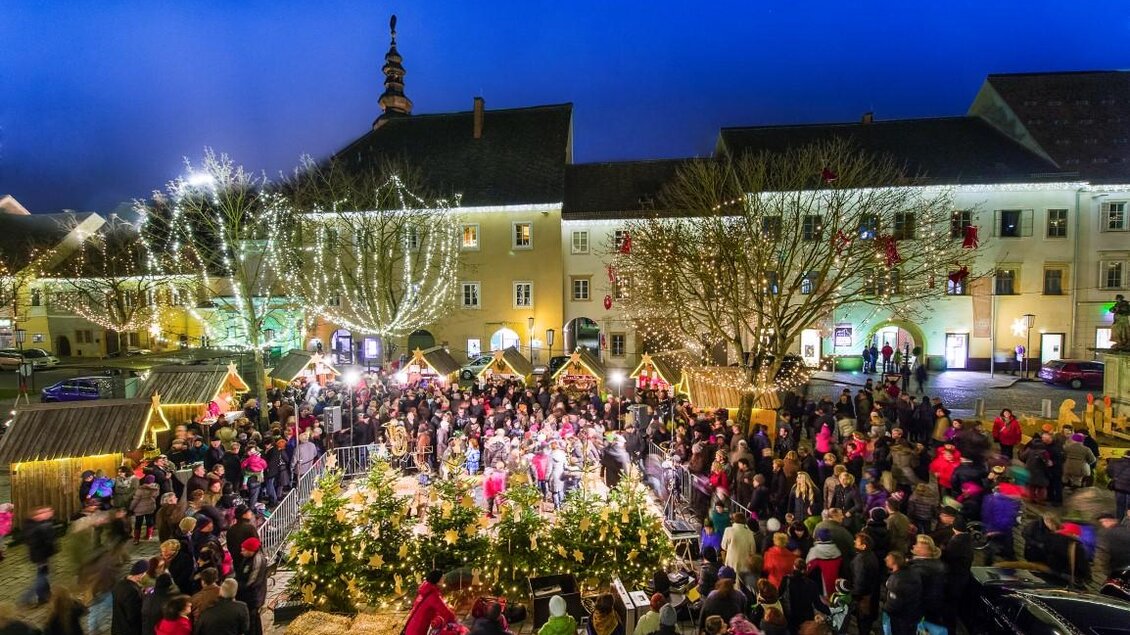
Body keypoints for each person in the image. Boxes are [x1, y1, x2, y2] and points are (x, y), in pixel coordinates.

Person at [908, 536, 946, 635]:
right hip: (931, 608)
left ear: (926, 551)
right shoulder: (936, 564)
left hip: (921, 609)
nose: (914, 546)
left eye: (917, 545)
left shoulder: (920, 569)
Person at [22, 506, 57, 607]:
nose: (47, 513)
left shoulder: (34, 525)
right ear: (36, 516)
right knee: (42, 577)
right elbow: (47, 541)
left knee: (44, 575)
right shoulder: (39, 527)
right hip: (41, 556)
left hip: (41, 555)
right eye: (43, 512)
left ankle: (45, 595)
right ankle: (27, 598)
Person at [881, 552, 921, 635]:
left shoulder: (897, 579)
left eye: (888, 559)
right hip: (910, 614)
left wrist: (886, 609)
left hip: (900, 616)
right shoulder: (909, 572)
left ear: (894, 562)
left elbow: (894, 601)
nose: (885, 559)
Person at [405, 570, 456, 635]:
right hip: (418, 631)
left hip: (411, 628)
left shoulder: (425, 590)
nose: (444, 579)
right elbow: (447, 613)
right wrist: (455, 620)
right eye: (442, 578)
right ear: (437, 580)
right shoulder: (433, 595)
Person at [234, 538, 267, 635]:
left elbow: (252, 581)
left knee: (252, 622)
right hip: (247, 595)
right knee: (253, 620)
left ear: (251, 550)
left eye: (244, 550)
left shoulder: (257, 561)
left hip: (253, 597)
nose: (241, 552)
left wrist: (237, 586)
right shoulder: (248, 558)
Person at [111, 560, 149, 635]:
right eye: (145, 574)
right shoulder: (132, 591)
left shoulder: (119, 584)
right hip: (129, 631)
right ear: (140, 575)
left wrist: (141, 593)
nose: (146, 576)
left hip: (117, 628)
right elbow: (134, 616)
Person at [129, 475, 160, 544]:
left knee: (138, 523)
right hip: (150, 507)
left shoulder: (140, 489)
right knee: (150, 521)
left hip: (140, 509)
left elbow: (135, 500)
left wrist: (131, 508)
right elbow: (155, 496)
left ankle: (136, 539)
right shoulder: (155, 488)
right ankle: (149, 536)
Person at [1109, 450, 1130, 520]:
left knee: (1120, 507)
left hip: (1119, 487)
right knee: (1128, 509)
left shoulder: (1114, 461)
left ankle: (1119, 521)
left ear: (1124, 454)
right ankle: (1127, 523)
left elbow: (1110, 473)